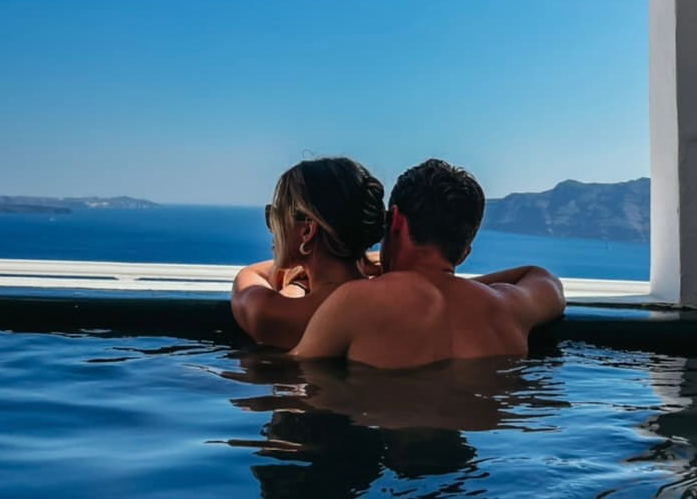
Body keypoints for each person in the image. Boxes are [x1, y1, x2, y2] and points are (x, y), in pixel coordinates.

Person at [291, 158, 565, 369]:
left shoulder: (355, 301)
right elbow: (544, 279)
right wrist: (454, 286)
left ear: (395, 220)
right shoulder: (509, 308)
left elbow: (296, 379)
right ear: (465, 252)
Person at [231, 157, 385, 349]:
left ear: (307, 231)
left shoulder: (272, 315)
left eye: (275, 215)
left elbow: (249, 275)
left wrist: (298, 282)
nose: (272, 228)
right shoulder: (385, 301)